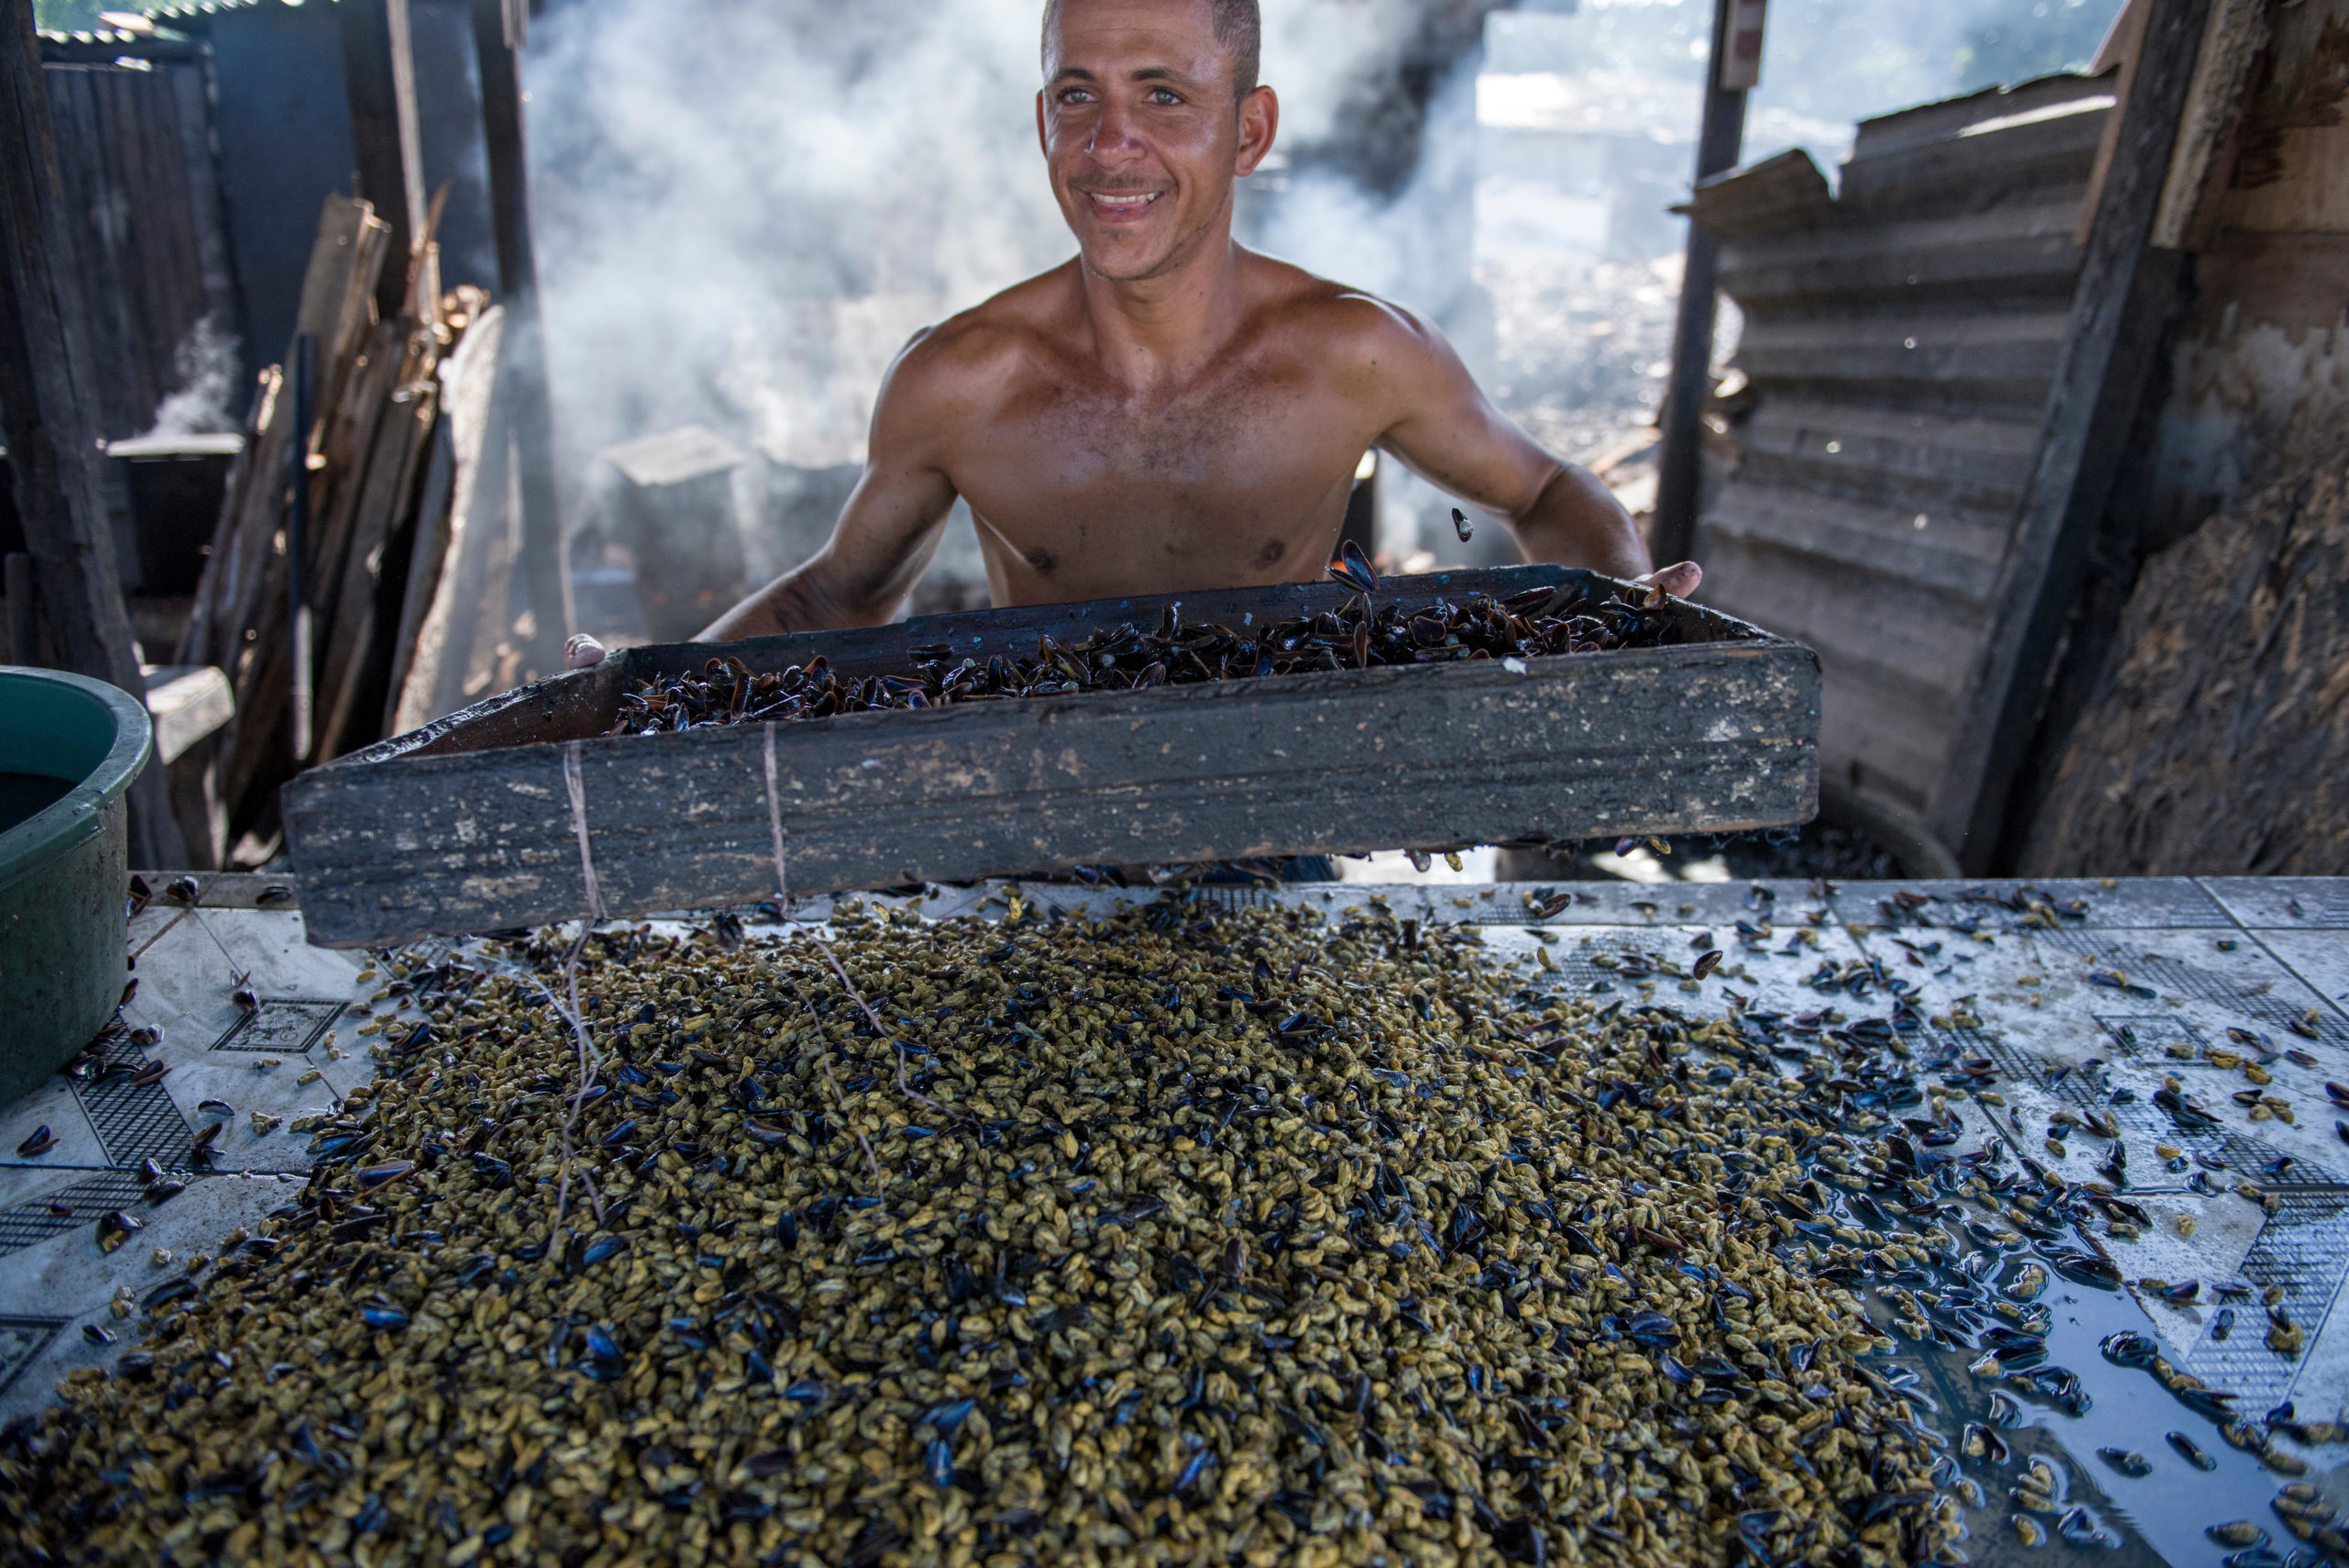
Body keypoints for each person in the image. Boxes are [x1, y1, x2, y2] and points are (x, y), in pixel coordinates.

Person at [564, 0, 1696, 672]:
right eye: (1075, 97)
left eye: (1162, 97)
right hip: (1035, 841)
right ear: (1040, 119)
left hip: (1277, 834)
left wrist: (1625, 600)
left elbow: (1545, 489)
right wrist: (644, 683)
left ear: (1247, 130)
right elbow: (835, 601)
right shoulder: (959, 380)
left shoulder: (1353, 353)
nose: (1111, 145)